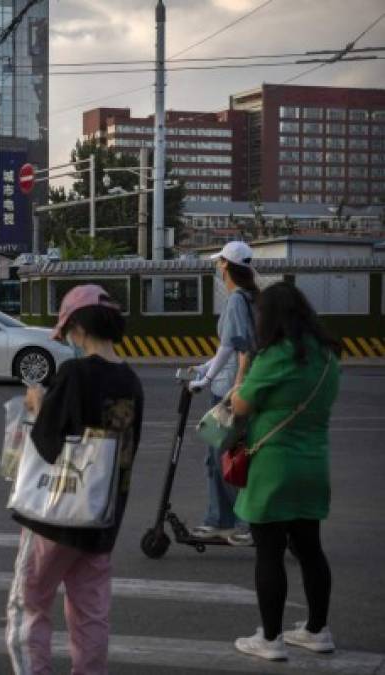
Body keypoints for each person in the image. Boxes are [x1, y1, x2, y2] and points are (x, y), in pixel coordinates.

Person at [7, 284, 144, 675]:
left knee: (29, 604)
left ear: (79, 328)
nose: (67, 337)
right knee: (90, 612)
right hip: (101, 515)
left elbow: (48, 445)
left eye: (68, 329)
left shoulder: (74, 373)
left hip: (54, 514)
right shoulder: (129, 379)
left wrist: (37, 404)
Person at [229, 282, 340, 662]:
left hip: (274, 465)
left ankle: (271, 639)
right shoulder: (327, 356)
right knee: (310, 550)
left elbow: (240, 405)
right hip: (313, 463)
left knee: (270, 552)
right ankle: (317, 630)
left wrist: (242, 373)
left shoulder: (276, 355)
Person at [189, 240, 259, 546]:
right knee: (223, 456)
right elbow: (227, 349)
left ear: (227, 266)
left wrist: (207, 379)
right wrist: (203, 368)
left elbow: (233, 345)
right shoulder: (252, 298)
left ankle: (235, 522)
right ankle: (223, 519)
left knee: (225, 457)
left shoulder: (235, 301)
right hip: (237, 387)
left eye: (220, 262)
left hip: (231, 392)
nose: (218, 267)